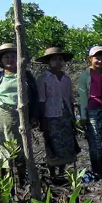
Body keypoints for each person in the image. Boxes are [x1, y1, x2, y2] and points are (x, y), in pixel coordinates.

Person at [0, 43, 39, 175]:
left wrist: (34, 116)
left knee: (21, 150)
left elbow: (35, 97)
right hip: (1, 120)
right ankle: (4, 181)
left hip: (22, 119)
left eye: (13, 56)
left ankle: (21, 181)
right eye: (6, 57)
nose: (10, 59)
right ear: (1, 61)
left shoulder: (26, 76)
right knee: (1, 149)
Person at [76, 46, 102, 179]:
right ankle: (99, 171)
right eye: (97, 58)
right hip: (93, 112)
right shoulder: (84, 76)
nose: (100, 61)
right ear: (90, 59)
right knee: (96, 142)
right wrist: (83, 116)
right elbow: (82, 97)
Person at [35, 47, 78, 177]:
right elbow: (41, 100)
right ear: (48, 61)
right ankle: (53, 173)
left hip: (65, 114)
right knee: (52, 144)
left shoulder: (66, 78)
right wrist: (43, 120)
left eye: (60, 59)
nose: (58, 62)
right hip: (50, 116)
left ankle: (62, 171)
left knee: (66, 144)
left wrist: (73, 117)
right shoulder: (43, 79)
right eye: (54, 59)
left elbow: (70, 98)